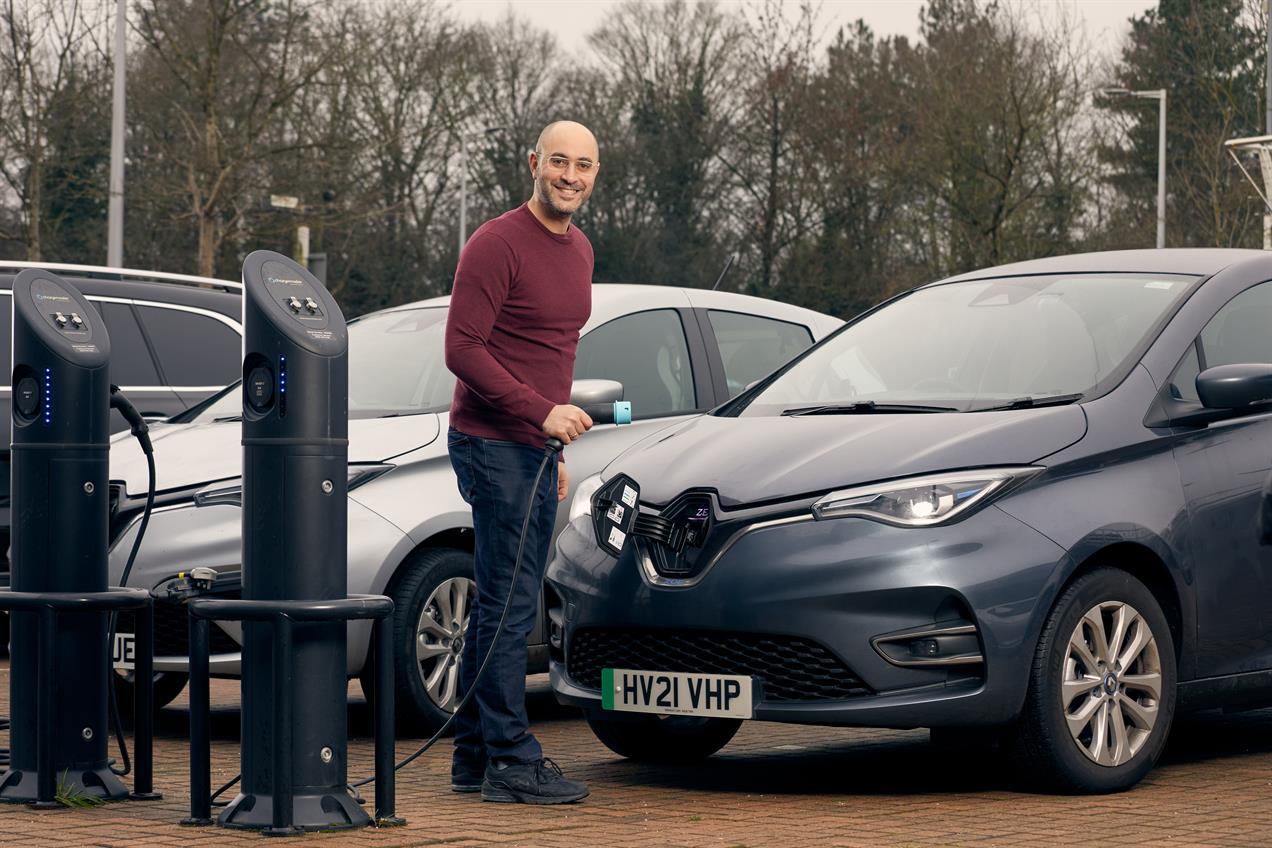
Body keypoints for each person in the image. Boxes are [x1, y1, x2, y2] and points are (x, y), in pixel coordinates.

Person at [443, 120, 600, 804]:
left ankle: (475, 756)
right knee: (509, 608)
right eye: (559, 162)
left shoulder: (581, 250)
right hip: (490, 442)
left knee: (499, 606)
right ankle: (511, 757)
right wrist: (538, 415)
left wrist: (551, 443)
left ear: (596, 174)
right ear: (534, 163)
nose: (570, 175)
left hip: (532, 451)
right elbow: (463, 348)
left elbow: (551, 352)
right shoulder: (496, 242)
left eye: (584, 166)